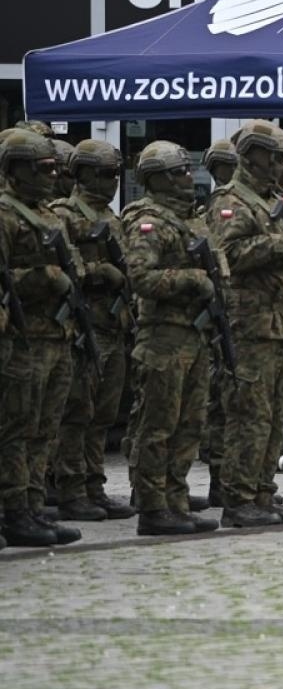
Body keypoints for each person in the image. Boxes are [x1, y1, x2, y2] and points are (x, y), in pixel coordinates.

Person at [208, 120, 283, 529]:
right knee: (248, 416)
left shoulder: (274, 203)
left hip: (281, 325)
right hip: (249, 327)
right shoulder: (231, 201)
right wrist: (278, 244)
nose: (280, 164)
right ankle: (238, 497)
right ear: (250, 155)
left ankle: (263, 491)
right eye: (274, 157)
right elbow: (225, 255)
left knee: (274, 418)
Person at [121, 142, 222, 535]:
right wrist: (192, 280)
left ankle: (175, 501)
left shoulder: (190, 219)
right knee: (158, 427)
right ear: (158, 178)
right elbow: (141, 278)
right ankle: (152, 507)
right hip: (163, 338)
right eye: (179, 172)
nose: (187, 177)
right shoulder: (149, 221)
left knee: (189, 425)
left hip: (194, 336)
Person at [0, 129, 85, 546]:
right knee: (17, 428)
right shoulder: (5, 215)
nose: (52, 176)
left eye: (55, 168)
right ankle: (14, 511)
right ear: (15, 170)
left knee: (44, 429)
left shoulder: (50, 215)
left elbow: (75, 269)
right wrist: (40, 278)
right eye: (43, 168)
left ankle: (33, 507)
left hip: (56, 335)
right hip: (21, 340)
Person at [48, 139, 137, 522]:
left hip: (113, 326)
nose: (111, 182)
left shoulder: (113, 217)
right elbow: (56, 269)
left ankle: (93, 484)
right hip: (83, 327)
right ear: (81, 173)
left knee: (103, 414)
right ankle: (69, 489)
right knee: (76, 413)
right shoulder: (63, 213)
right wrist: (97, 273)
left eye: (115, 175)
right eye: (103, 174)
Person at [198, 139, 238, 509]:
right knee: (220, 403)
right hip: (223, 314)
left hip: (232, 313)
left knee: (226, 402)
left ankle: (223, 480)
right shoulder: (219, 207)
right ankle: (218, 478)